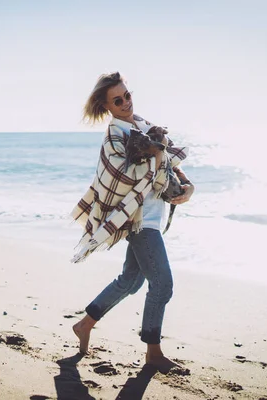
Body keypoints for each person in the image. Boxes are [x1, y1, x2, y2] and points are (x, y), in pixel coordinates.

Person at [70, 72, 194, 369]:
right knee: (162, 284)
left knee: (131, 281)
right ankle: (153, 353)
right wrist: (152, 153)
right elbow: (120, 175)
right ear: (106, 106)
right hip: (138, 220)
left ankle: (84, 325)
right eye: (118, 99)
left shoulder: (144, 125)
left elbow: (168, 161)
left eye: (127, 95)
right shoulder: (114, 136)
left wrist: (188, 186)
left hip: (154, 215)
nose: (125, 102)